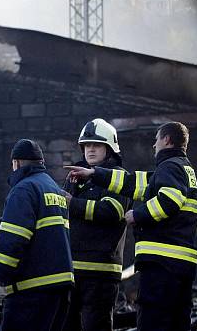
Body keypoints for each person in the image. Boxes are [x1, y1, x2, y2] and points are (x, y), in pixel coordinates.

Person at [66, 122, 197, 331]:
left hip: (164, 263)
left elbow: (171, 200)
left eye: (156, 140)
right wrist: (94, 174)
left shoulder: (170, 166)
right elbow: (132, 182)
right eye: (87, 145)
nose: (154, 146)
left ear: (166, 140)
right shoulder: (179, 168)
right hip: (176, 263)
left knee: (154, 322)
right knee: (177, 322)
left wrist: (138, 215)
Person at [0, 139, 74, 331]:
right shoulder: (54, 189)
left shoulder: (23, 190)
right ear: (41, 163)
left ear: (16, 163)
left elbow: (13, 241)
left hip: (31, 292)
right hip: (60, 291)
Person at [62, 119, 131, 331]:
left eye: (97, 145)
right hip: (71, 270)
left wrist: (73, 203)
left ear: (109, 149)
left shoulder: (119, 178)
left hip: (100, 272)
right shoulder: (75, 177)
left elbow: (112, 212)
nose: (90, 149)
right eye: (87, 145)